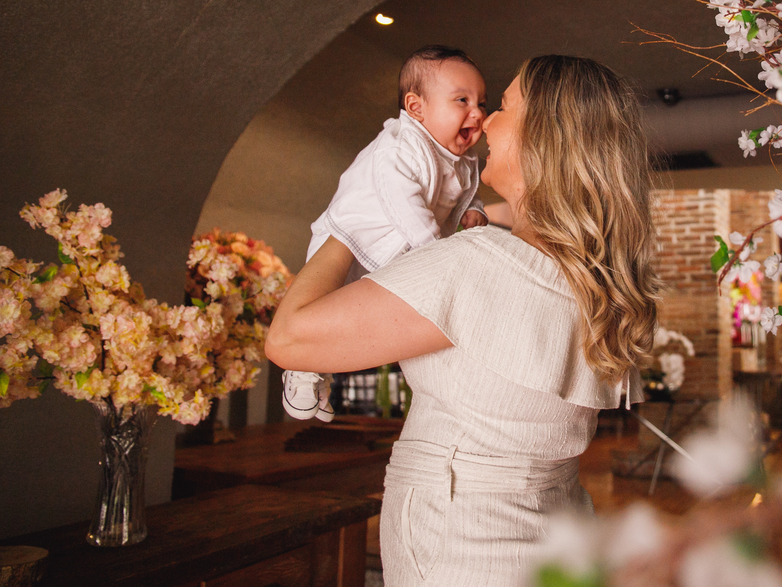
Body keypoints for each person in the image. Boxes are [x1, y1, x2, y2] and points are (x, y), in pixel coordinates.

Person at [266, 55, 661, 586]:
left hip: (465, 549)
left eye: (502, 106)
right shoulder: (591, 276)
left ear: (541, 138)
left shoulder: (476, 263)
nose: (486, 123)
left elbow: (290, 338)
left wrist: (348, 218)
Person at [281, 45, 489, 422]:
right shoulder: (399, 146)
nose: (477, 113)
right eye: (462, 100)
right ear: (416, 107)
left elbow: (465, 194)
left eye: (481, 103)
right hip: (353, 238)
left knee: (355, 320)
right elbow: (404, 204)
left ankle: (322, 370)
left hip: (396, 255)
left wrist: (474, 210)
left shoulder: (462, 160)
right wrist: (437, 252)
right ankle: (301, 370)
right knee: (325, 310)